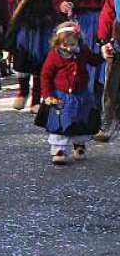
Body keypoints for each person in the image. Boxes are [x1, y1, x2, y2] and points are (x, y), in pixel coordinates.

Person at [39, 22, 103, 165]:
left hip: (81, 95)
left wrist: (104, 54)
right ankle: (58, 149)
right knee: (61, 123)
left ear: (78, 41)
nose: (69, 48)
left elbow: (94, 60)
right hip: (62, 96)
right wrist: (47, 94)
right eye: (65, 45)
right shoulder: (54, 56)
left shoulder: (83, 51)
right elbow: (45, 76)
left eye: (72, 44)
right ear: (58, 43)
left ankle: (79, 145)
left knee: (80, 120)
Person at [97, 0, 120, 141]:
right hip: (118, 39)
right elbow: (109, 9)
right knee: (112, 87)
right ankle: (109, 122)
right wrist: (104, 40)